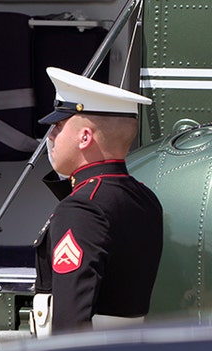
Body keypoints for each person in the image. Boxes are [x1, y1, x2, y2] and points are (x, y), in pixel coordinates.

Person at [32, 67, 163, 336]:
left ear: (85, 137)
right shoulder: (144, 197)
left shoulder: (83, 207)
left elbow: (71, 321)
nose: (51, 137)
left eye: (58, 126)